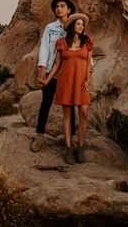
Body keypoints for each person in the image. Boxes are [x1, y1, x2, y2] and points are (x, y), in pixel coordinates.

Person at [44, 12, 93, 165]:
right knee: (67, 114)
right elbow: (57, 65)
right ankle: (68, 148)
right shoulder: (62, 43)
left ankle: (81, 146)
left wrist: (88, 82)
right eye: (78, 24)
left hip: (82, 82)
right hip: (66, 81)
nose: (81, 26)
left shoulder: (87, 42)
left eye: (82, 24)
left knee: (84, 112)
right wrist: (47, 80)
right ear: (72, 26)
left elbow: (89, 64)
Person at [30, 0, 76, 153]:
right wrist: (42, 68)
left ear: (69, 10)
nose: (59, 9)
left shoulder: (75, 27)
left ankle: (72, 138)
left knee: (69, 105)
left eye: (62, 6)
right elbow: (44, 48)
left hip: (69, 72)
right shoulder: (50, 28)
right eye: (57, 6)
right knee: (46, 102)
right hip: (51, 70)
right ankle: (40, 135)